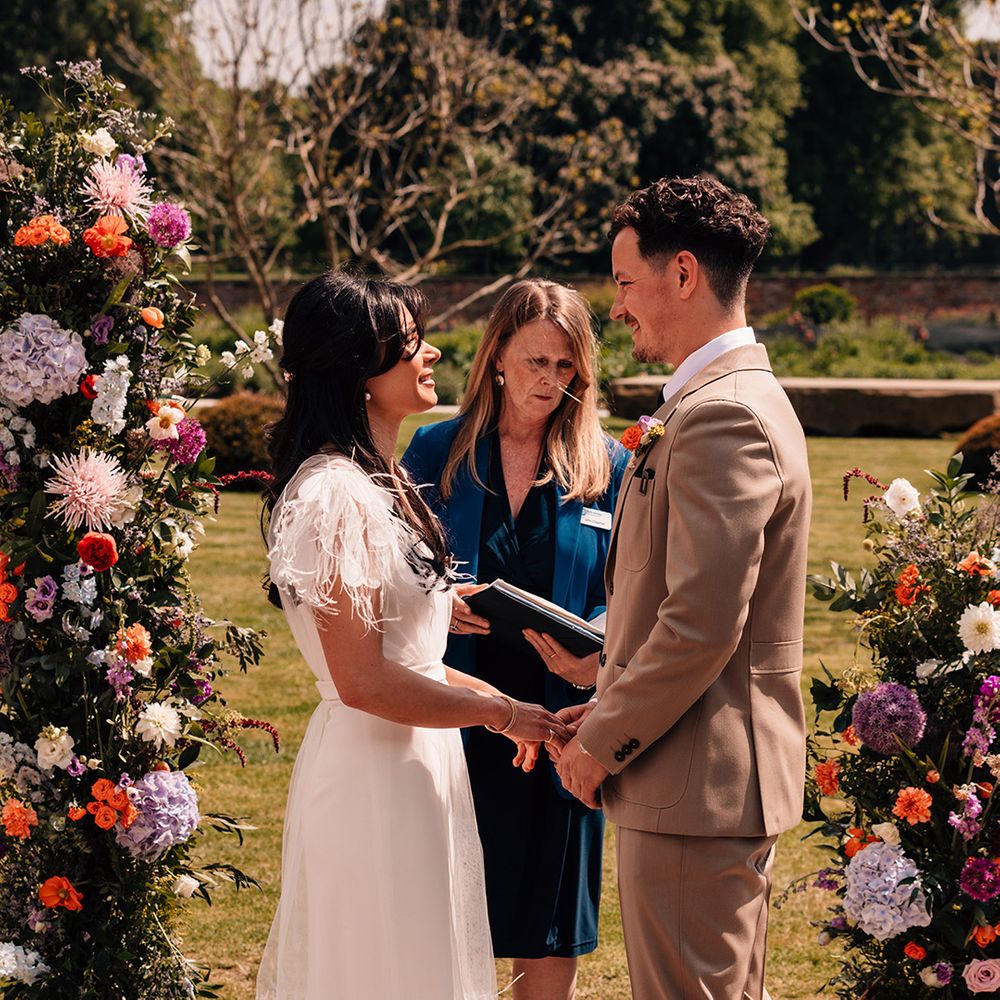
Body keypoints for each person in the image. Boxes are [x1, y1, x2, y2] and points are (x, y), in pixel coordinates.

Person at [255, 271, 569, 1000]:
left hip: (417, 766)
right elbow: (362, 681)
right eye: (408, 345)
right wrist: (502, 713)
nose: (429, 356)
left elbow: (409, 657)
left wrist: (492, 699)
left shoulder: (384, 483)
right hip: (373, 777)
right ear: (357, 370)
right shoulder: (334, 494)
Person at [553, 176, 812, 1000]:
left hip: (697, 786)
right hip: (698, 777)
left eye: (626, 283)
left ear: (686, 274)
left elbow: (701, 623)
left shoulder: (722, 416)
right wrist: (610, 700)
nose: (618, 306)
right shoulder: (718, 402)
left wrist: (602, 742)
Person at [403, 279, 630, 1000]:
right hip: (461, 720)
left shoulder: (608, 465)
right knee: (447, 914)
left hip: (564, 725)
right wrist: (440, 605)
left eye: (567, 369)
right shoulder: (436, 451)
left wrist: (598, 646)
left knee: (549, 922)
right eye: (537, 362)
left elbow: (633, 592)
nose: (551, 382)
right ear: (497, 354)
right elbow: (391, 578)